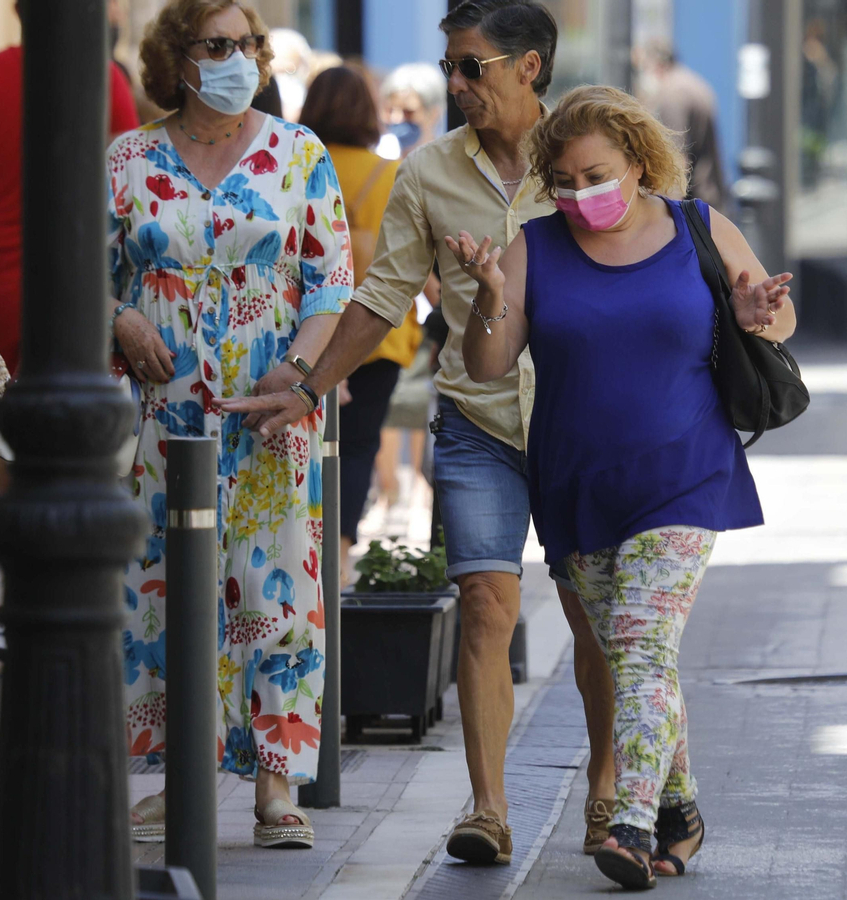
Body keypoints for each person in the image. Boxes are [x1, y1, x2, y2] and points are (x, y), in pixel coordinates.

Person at [219, 0, 620, 865]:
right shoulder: (430, 173)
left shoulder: (589, 162)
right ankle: (488, 808)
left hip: (584, 420)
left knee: (594, 621)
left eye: (472, 66)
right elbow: (380, 298)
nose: (456, 83)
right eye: (449, 67)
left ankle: (606, 791)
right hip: (477, 421)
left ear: (529, 69)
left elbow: (645, 263)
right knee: (484, 602)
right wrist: (312, 386)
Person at [452, 84, 791, 889]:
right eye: (562, 180)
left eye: (594, 174)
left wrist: (752, 314)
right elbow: (487, 368)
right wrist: (492, 301)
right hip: (576, 488)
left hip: (684, 476)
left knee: (640, 652)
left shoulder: (697, 229)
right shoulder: (536, 245)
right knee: (639, 658)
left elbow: (776, 321)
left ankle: (632, 825)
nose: (579, 195)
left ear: (639, 163)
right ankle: (681, 811)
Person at [113, 0, 351, 849]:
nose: (239, 57)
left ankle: (278, 788)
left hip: (269, 413)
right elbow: (88, 272)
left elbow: (329, 282)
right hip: (162, 415)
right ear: (176, 57)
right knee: (165, 593)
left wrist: (301, 370)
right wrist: (118, 317)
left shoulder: (300, 154)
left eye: (248, 43)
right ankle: (181, 778)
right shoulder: (129, 158)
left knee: (273, 592)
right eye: (219, 44)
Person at [0, 0, 141, 375]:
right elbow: (128, 187)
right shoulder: (103, 76)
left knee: (4, 409)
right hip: (78, 271)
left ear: (18, 11)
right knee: (74, 408)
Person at [298, 65, 414, 578]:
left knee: (303, 447)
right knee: (360, 445)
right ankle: (340, 556)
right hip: (375, 336)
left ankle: (304, 547)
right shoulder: (385, 173)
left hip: (305, 336)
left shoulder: (298, 166)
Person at [633, 39, 729, 210]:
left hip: (694, 205)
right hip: (708, 197)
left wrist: (669, 211)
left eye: (642, 66)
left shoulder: (673, 95)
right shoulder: (691, 83)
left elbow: (674, 157)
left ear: (656, 64)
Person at [379, 62, 447, 160]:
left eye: (408, 112)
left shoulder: (446, 161)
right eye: (390, 110)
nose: (396, 119)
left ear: (433, 114)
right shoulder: (376, 158)